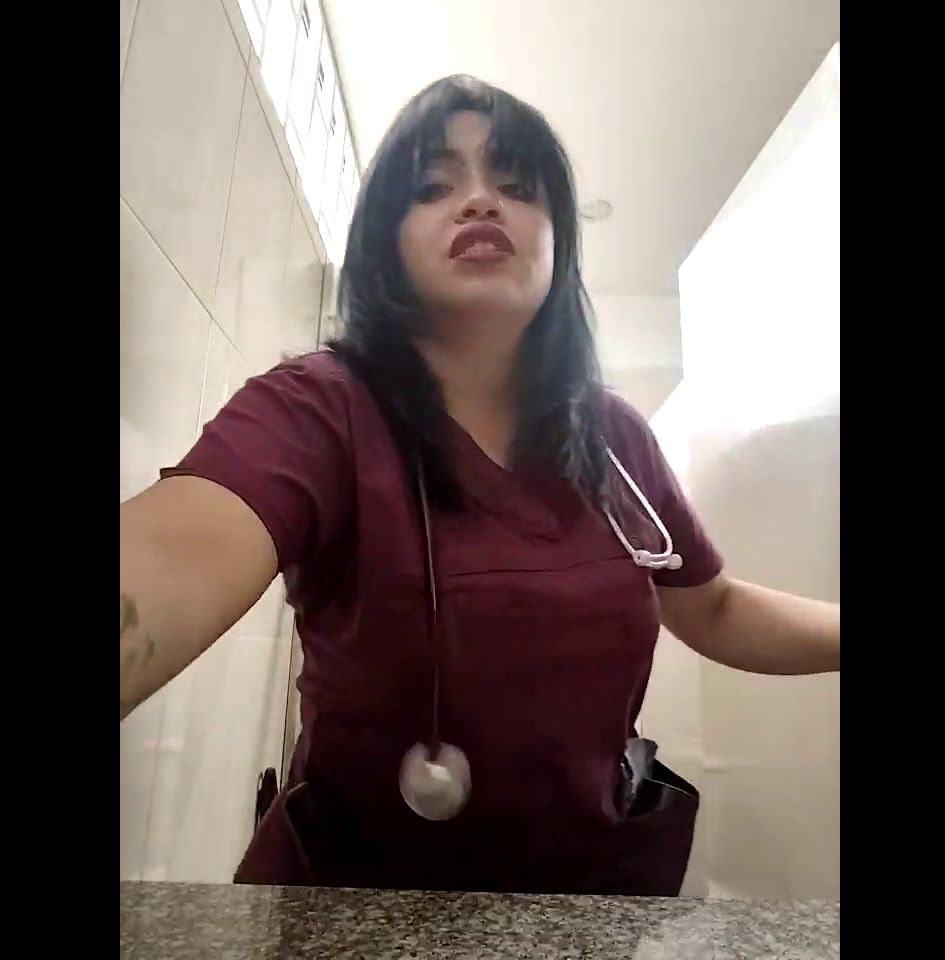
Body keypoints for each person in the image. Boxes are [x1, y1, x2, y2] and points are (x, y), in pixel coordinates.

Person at [119, 75, 839, 894]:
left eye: (517, 185)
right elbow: (176, 552)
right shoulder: (318, 410)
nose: (479, 201)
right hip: (354, 913)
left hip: (584, 911)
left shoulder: (612, 437)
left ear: (558, 241)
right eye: (434, 187)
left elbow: (713, 608)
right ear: (385, 243)